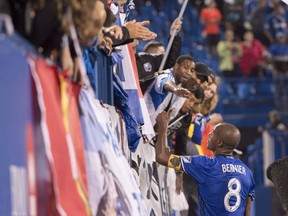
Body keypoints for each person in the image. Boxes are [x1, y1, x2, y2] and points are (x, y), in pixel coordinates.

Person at [155, 111, 256, 216]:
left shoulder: (206, 165)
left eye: (213, 133)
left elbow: (162, 157)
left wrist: (163, 126)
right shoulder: (247, 172)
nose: (209, 135)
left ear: (220, 143)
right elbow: (247, 213)